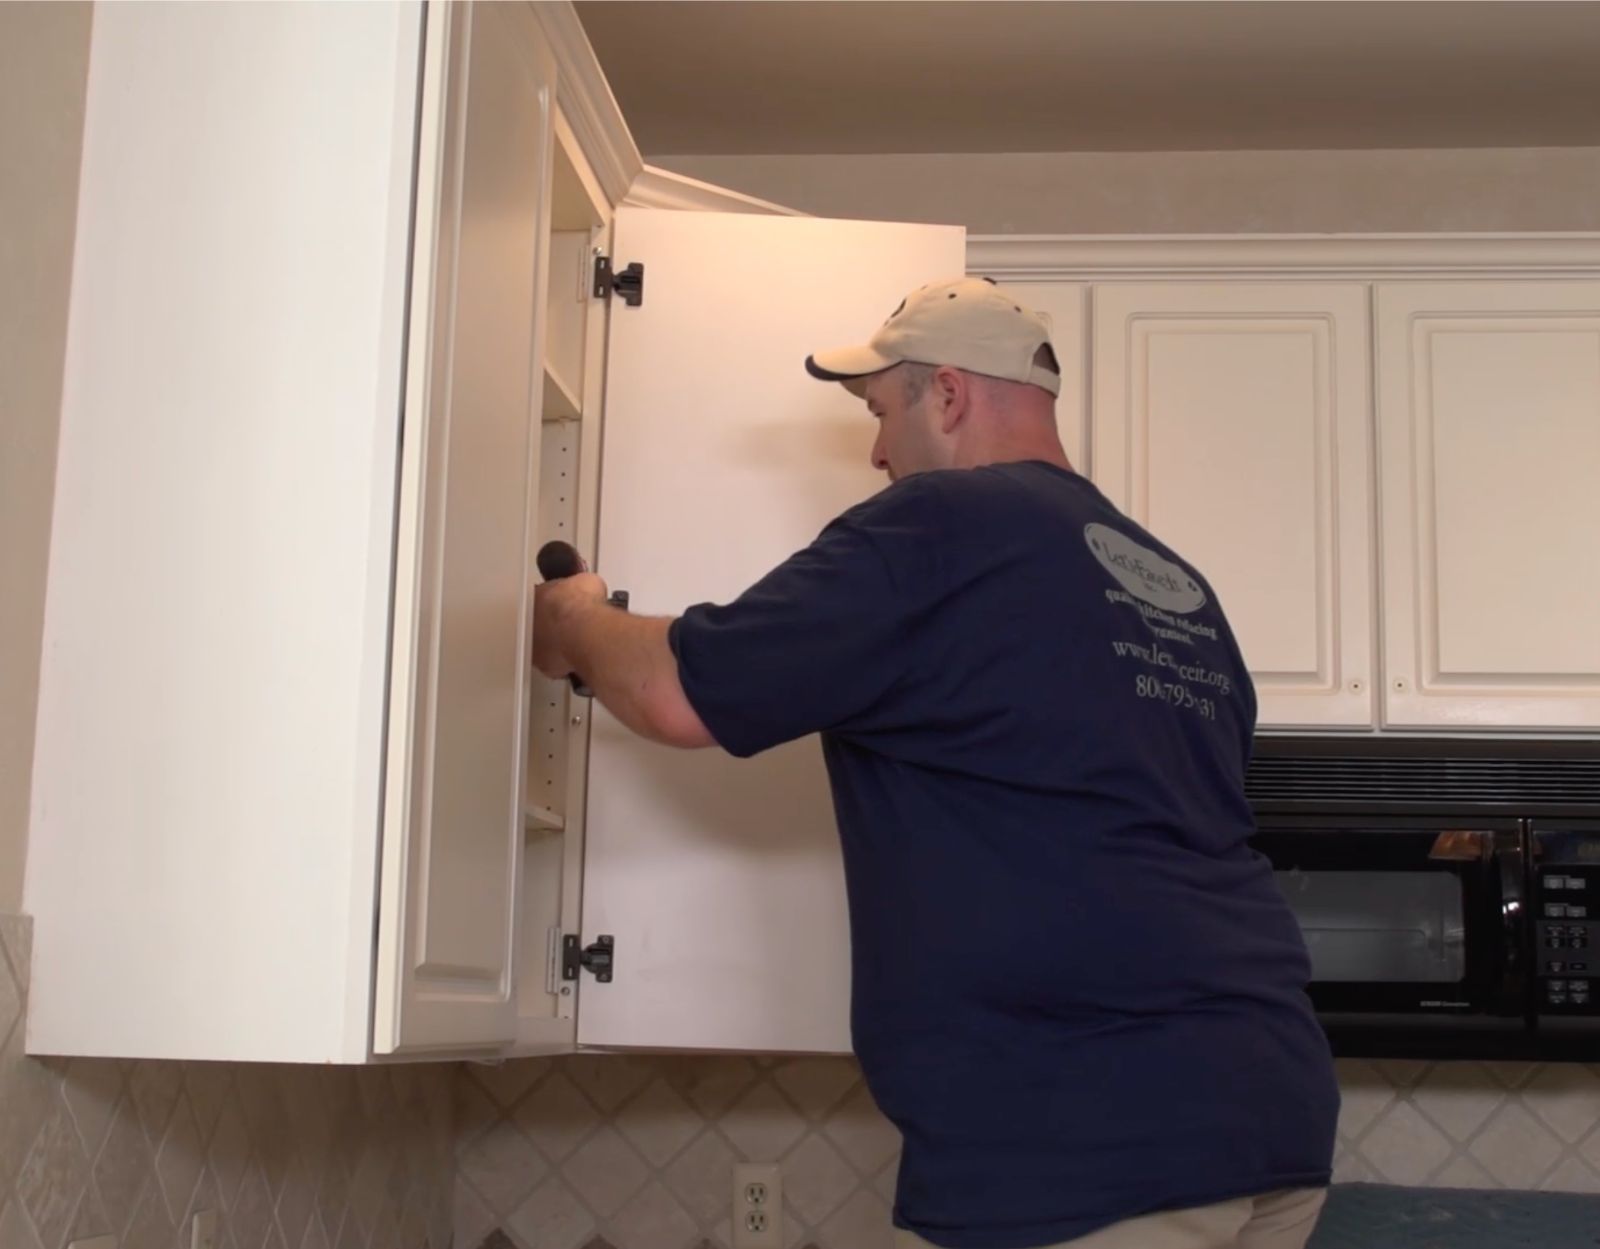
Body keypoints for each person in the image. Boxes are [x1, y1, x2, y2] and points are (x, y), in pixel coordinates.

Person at [531, 276, 1339, 1249]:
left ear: (947, 395)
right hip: (1271, 1111)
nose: (875, 453)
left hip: (1081, 1144)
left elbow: (677, 690)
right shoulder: (1174, 589)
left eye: (879, 413)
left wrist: (577, 620)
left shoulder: (942, 526)